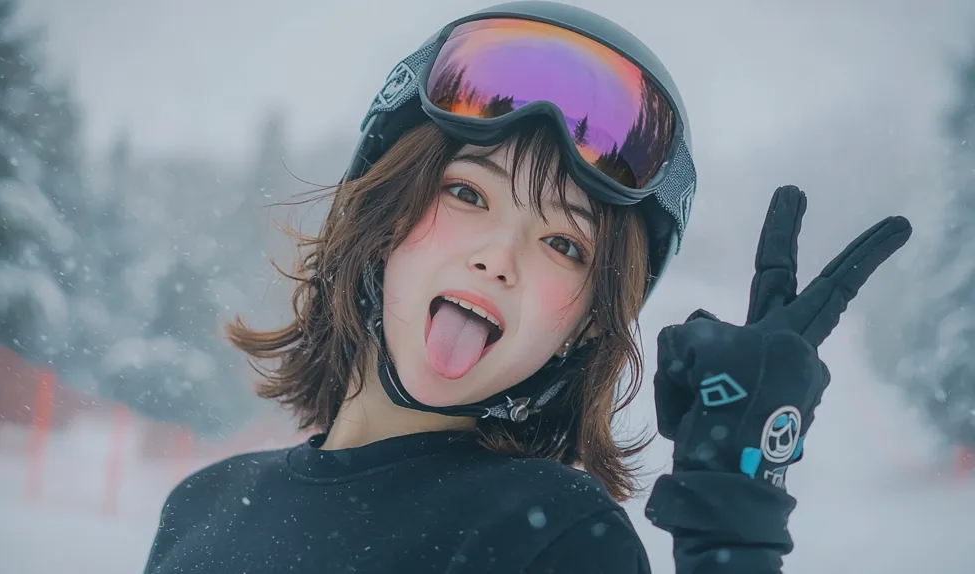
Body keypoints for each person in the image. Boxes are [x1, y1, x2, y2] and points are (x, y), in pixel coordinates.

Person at [141, 2, 912, 572]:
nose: (499, 258)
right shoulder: (199, 508)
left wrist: (733, 530)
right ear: (378, 220)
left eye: (562, 244)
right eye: (468, 195)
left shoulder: (554, 538)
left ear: (584, 325)